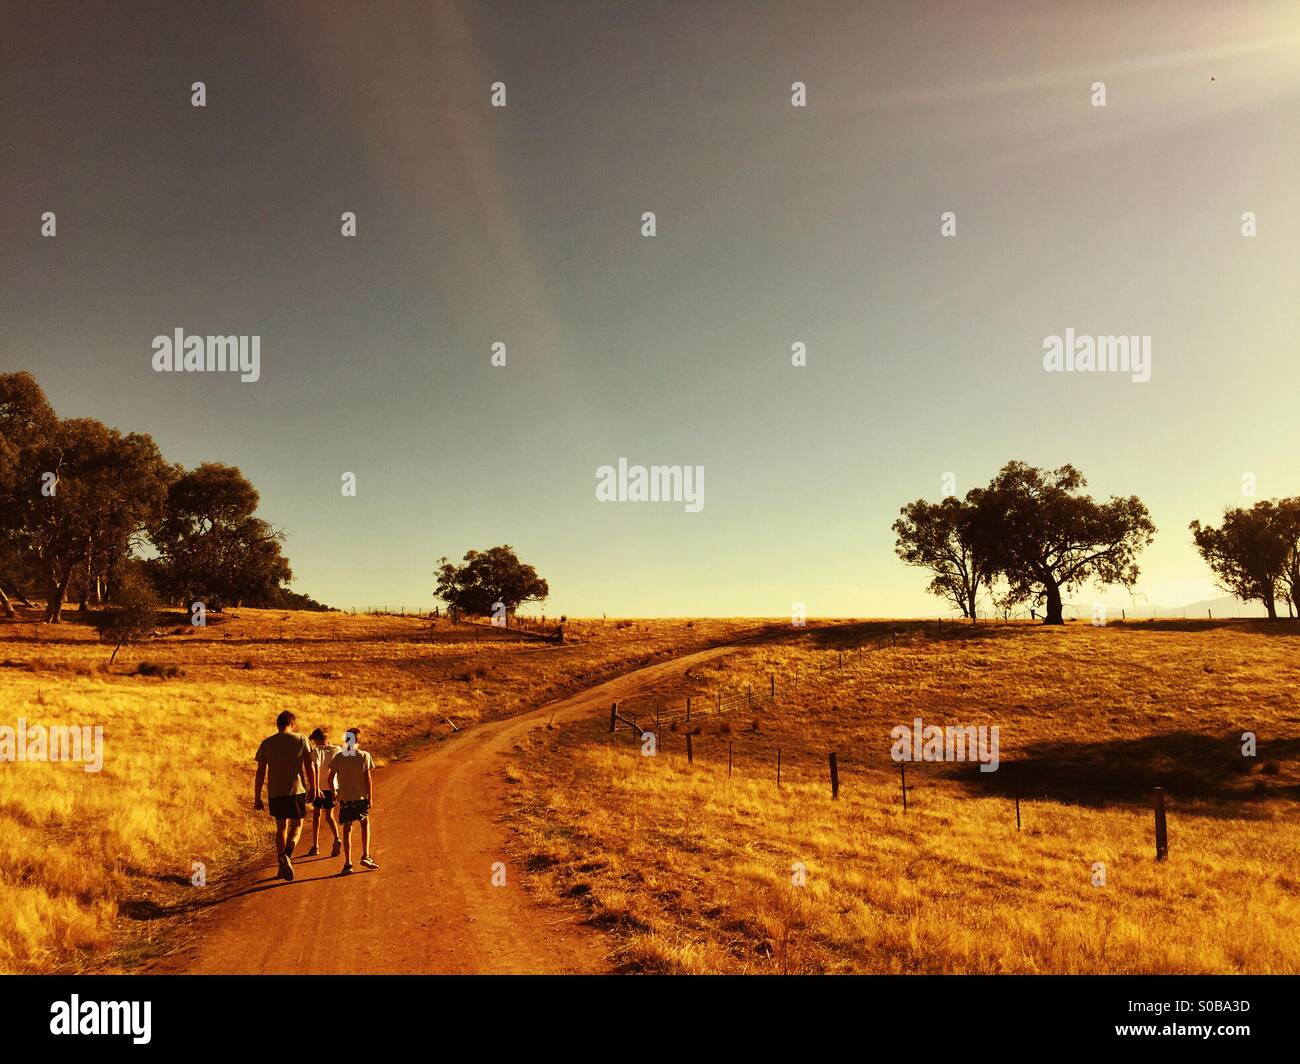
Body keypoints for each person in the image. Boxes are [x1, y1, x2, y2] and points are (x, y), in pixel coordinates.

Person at [253, 710, 317, 881]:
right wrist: (314, 787)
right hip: (296, 790)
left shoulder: (266, 743)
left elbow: (260, 773)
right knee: (297, 824)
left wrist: (257, 796)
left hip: (275, 792)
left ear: (277, 724)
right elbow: (309, 766)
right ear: (292, 724)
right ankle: (286, 855)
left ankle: (281, 864)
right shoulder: (301, 739)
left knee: (281, 827)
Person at [323, 727, 378, 874]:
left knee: (347, 829)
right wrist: (370, 797)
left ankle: (348, 863)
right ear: (359, 740)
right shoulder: (364, 756)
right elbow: (368, 778)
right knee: (364, 824)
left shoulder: (339, 757)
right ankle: (365, 855)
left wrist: (334, 793)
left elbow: (330, 778)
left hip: (345, 798)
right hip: (360, 797)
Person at [306, 727, 342, 858]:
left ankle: (315, 846)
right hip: (333, 787)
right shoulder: (337, 749)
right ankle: (337, 837)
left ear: (317, 739)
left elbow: (315, 768)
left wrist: (314, 787)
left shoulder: (315, 751)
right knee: (329, 816)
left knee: (316, 815)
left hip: (319, 787)